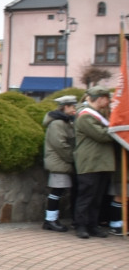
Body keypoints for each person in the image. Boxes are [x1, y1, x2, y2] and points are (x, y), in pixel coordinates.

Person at [72, 87, 115, 239]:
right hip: (89, 162)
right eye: (106, 98)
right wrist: (119, 130)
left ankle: (92, 225)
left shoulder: (100, 114)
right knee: (86, 196)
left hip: (101, 162)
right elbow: (102, 135)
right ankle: (81, 225)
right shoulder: (85, 115)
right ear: (99, 98)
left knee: (97, 198)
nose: (108, 101)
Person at [42, 95, 77, 232]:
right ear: (65, 107)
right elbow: (60, 145)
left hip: (61, 161)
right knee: (56, 191)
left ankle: (51, 219)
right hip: (59, 162)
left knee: (58, 191)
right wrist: (73, 158)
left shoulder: (65, 122)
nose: (75, 109)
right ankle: (50, 220)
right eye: (72, 106)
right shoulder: (57, 123)